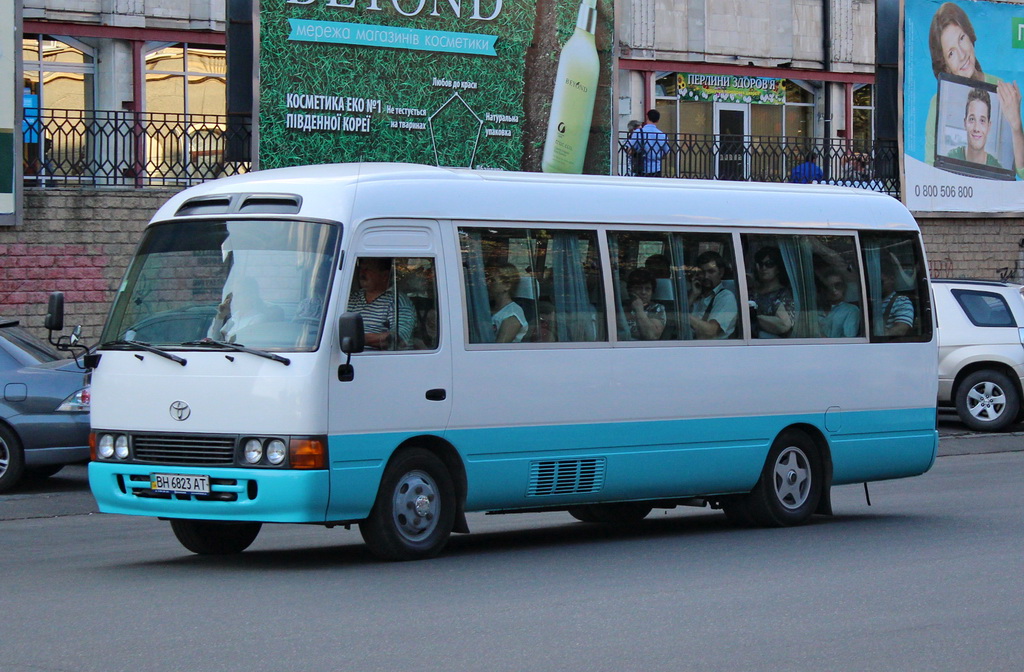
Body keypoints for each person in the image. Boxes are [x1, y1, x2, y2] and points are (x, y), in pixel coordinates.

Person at [925, 2, 1024, 177]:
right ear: (945, 66)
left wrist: (1016, 126)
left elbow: (1022, 173)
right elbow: (931, 169)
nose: (962, 54)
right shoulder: (938, 101)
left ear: (971, 37)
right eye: (951, 53)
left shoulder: (1000, 88)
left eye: (962, 38)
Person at [347, 257, 415, 350]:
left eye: (368, 269)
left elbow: (398, 339)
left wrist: (355, 338)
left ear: (384, 276)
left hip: (383, 362)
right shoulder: (352, 299)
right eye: (361, 269)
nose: (362, 273)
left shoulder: (397, 301)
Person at [207, 277, 281, 343]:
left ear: (250, 296)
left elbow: (241, 343)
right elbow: (215, 339)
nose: (234, 298)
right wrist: (220, 316)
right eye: (233, 295)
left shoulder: (258, 319)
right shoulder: (234, 317)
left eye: (239, 294)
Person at [948, 87, 1004, 168]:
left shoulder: (997, 168)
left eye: (982, 120)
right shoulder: (951, 158)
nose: (976, 128)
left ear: (989, 126)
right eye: (972, 119)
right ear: (965, 123)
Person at [688, 250, 737, 339]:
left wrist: (682, 316)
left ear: (721, 273)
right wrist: (693, 296)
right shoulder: (696, 295)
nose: (706, 276)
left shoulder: (726, 297)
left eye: (711, 272)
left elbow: (711, 331)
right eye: (702, 272)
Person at [749, 246, 794, 338]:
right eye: (760, 264)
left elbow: (784, 325)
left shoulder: (783, 294)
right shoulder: (752, 293)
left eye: (769, 264)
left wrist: (754, 318)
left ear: (778, 268)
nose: (763, 268)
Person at [486, 263, 528, 343]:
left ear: (507, 286)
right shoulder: (489, 307)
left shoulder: (512, 315)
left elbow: (499, 348)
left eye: (492, 280)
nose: (488, 283)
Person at [624, 268, 666, 340]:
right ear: (630, 290)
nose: (643, 292)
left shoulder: (657, 309)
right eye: (639, 288)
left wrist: (639, 310)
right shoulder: (621, 308)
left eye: (647, 289)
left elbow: (651, 336)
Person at [627, 109, 670, 177]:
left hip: (641, 168)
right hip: (656, 169)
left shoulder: (638, 132)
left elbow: (629, 150)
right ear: (658, 120)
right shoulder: (662, 135)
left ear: (647, 117)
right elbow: (666, 153)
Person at [818, 270, 861, 338]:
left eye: (838, 285)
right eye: (828, 286)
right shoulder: (816, 310)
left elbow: (848, 341)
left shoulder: (851, 310)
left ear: (844, 287)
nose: (833, 290)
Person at [878, 262, 915, 337]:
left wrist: (883, 335)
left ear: (892, 279)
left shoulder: (902, 302)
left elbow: (901, 329)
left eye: (881, 282)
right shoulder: (872, 302)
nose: (877, 285)